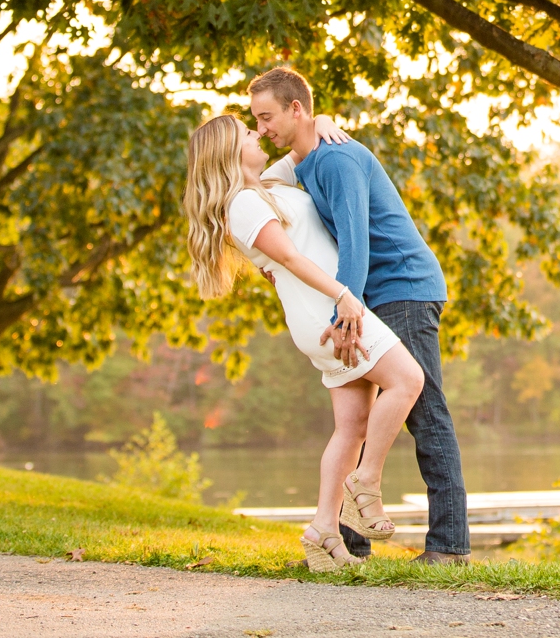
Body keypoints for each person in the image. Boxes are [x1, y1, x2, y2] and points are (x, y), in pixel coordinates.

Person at [182, 112, 426, 571]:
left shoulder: (265, 185)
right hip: (328, 314)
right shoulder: (242, 204)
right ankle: (366, 482)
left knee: (351, 426)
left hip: (320, 315)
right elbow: (291, 258)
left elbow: (301, 143)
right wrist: (344, 298)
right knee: (407, 380)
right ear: (230, 152)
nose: (259, 135)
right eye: (248, 133)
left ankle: (322, 531)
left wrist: (323, 119)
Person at [248, 64, 470, 565]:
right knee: (360, 420)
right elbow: (248, 181)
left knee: (425, 411)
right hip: (365, 295)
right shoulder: (304, 161)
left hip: (403, 287)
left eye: (267, 118)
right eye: (256, 121)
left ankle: (450, 547)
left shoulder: (337, 160)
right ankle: (350, 544)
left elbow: (356, 241)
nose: (262, 129)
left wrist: (343, 309)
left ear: (295, 108)